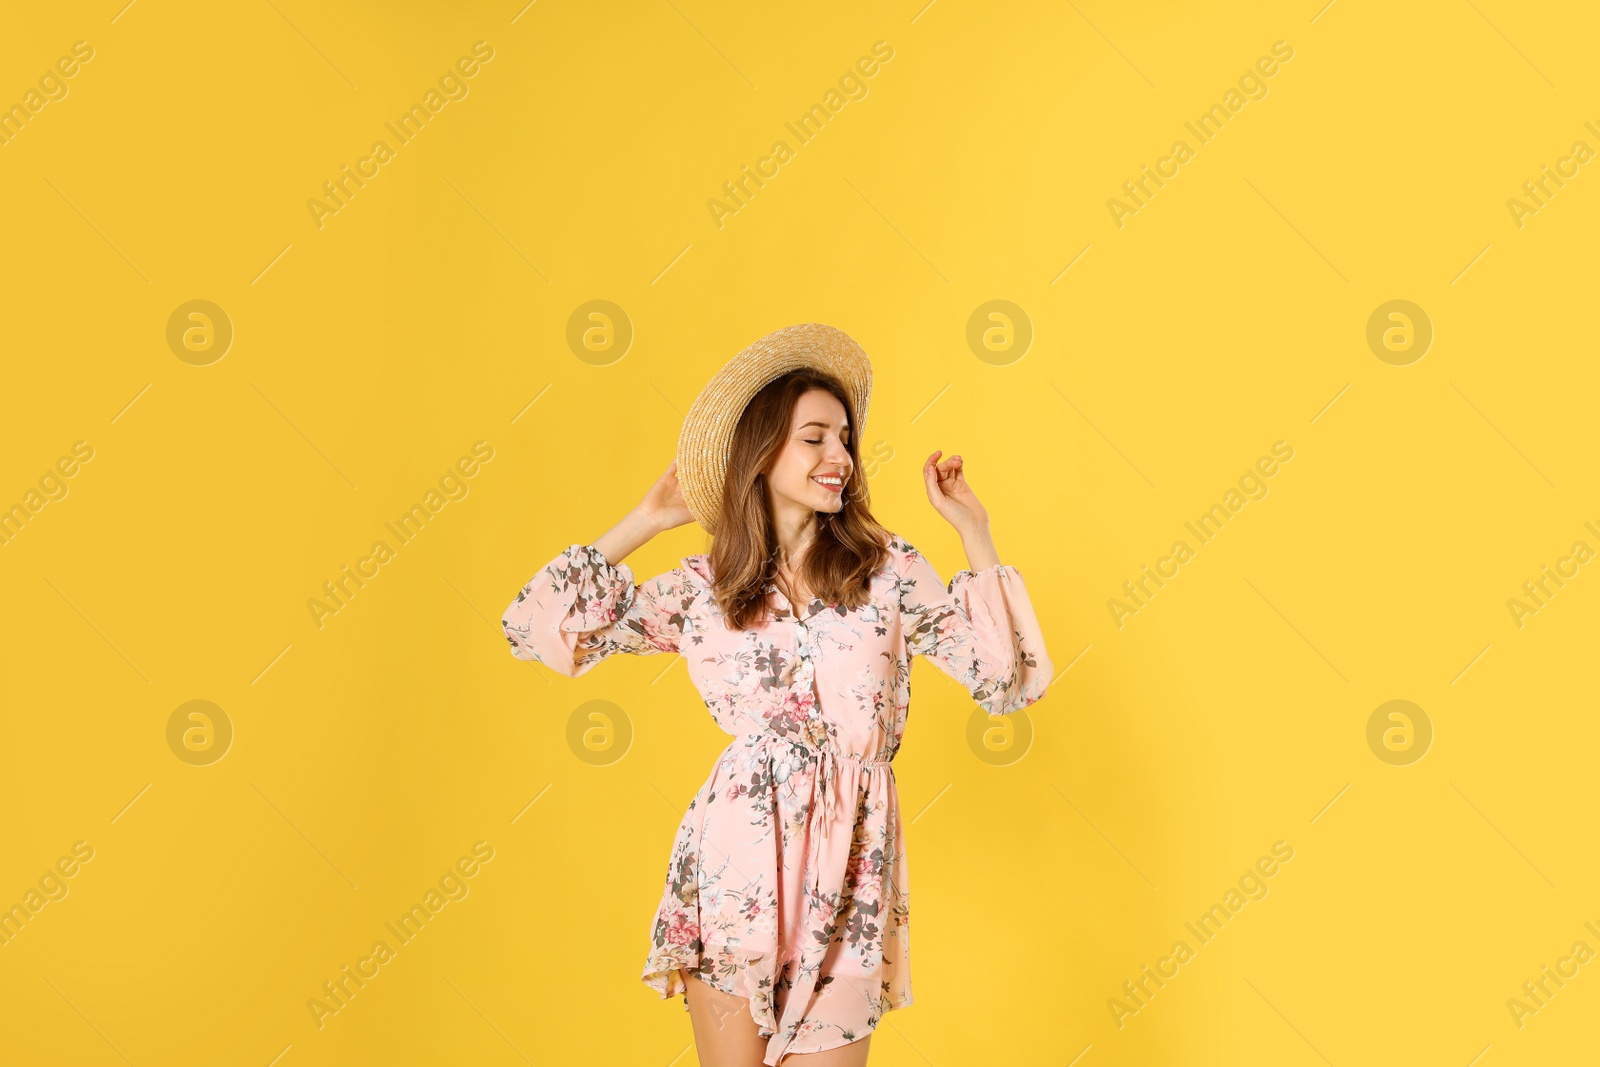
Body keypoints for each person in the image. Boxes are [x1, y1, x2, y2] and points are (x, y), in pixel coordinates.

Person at [501, 323, 1054, 1065]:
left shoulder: (888, 570)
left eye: (845, 440)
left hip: (854, 876)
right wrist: (646, 520)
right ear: (761, 454)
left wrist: (975, 531)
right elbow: (538, 626)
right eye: (815, 439)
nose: (841, 459)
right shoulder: (707, 590)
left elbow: (1005, 679)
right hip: (735, 869)